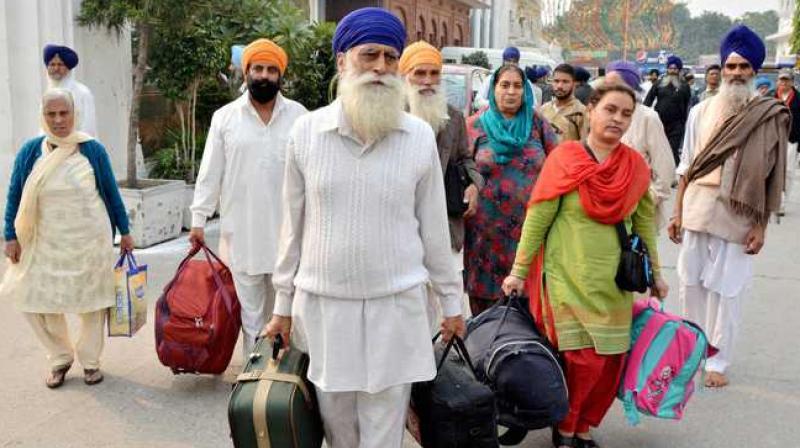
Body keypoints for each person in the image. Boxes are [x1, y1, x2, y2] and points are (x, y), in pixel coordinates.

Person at [264, 8, 466, 447]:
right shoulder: (306, 133)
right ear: (342, 61)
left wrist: (452, 302)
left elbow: (434, 229)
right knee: (338, 426)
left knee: (385, 426)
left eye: (390, 57)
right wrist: (281, 305)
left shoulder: (416, 139)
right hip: (325, 308)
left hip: (396, 308)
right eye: (368, 54)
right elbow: (291, 229)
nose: (380, 67)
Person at [502, 82, 668, 448]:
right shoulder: (565, 159)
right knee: (582, 361)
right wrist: (518, 270)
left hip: (614, 284)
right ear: (591, 110)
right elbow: (537, 218)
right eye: (611, 110)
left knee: (609, 364)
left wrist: (656, 273)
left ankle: (584, 426)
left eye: (626, 114)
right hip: (567, 279)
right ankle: (564, 428)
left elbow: (643, 226)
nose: (618, 119)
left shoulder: (634, 166)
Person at [669, 25, 789, 388]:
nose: (736, 73)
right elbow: (686, 165)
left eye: (744, 67)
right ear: (721, 70)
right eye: (730, 67)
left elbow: (775, 177)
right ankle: (693, 352)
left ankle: (718, 360)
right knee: (690, 286)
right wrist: (676, 212)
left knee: (729, 290)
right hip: (697, 207)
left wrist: (761, 226)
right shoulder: (700, 111)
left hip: (740, 214)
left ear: (755, 71)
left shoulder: (770, 115)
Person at [0, 89, 134, 388]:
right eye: (52, 114)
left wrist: (124, 232)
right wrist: (9, 235)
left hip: (89, 243)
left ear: (75, 114)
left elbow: (110, 193)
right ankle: (59, 357)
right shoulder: (31, 151)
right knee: (34, 300)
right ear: (42, 116)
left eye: (64, 113)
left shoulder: (91, 149)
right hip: (44, 243)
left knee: (92, 303)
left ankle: (90, 362)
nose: (59, 120)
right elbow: (14, 194)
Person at [189, 38, 308, 356]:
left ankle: (286, 386)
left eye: (272, 69)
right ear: (247, 72)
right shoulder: (225, 118)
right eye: (258, 68)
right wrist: (199, 219)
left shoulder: (300, 117)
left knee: (289, 314)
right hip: (244, 235)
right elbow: (210, 172)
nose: (264, 75)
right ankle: (253, 381)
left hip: (290, 236)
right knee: (252, 317)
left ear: (280, 75)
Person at [399, 40, 482, 323]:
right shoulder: (389, 116)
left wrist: (473, 184)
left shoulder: (454, 117)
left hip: (445, 222)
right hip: (400, 225)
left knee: (446, 305)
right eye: (419, 74)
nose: (427, 82)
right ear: (404, 76)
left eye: (434, 74)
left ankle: (441, 363)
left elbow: (465, 159)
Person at [464, 64, 557, 315]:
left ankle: (526, 351)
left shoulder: (537, 124)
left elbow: (560, 166)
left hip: (530, 229)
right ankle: (485, 349)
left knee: (529, 299)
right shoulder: (474, 126)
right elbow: (461, 169)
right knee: (485, 305)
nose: (511, 92)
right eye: (504, 85)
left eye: (517, 86)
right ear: (493, 89)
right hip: (485, 232)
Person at [606, 60, 676, 230]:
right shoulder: (600, 116)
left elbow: (665, 168)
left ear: (629, 87)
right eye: (605, 85)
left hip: (638, 211)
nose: (606, 90)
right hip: (605, 208)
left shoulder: (647, 118)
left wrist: (646, 200)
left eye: (613, 85)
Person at [644, 55, 692, 165]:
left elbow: (687, 106)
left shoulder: (684, 86)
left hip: (677, 126)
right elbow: (648, 102)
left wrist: (685, 123)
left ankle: (675, 176)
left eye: (675, 69)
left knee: (672, 150)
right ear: (667, 69)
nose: (672, 71)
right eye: (670, 68)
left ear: (679, 70)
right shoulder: (658, 84)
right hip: (659, 123)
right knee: (658, 151)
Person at [43, 44, 96, 136]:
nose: (56, 68)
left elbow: (88, 128)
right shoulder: (47, 94)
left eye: (60, 64)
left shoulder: (82, 93)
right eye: (52, 64)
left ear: (68, 68)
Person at [540, 63, 587, 143]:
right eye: (556, 81)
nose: (559, 86)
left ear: (574, 84)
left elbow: (586, 146)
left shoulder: (581, 112)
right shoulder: (543, 109)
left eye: (565, 82)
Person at [776, 68, 800, 215]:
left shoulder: (798, 99)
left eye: (786, 80)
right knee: (773, 170)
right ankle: (774, 200)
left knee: (788, 172)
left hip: (791, 139)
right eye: (781, 80)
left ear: (791, 82)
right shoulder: (771, 97)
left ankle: (782, 203)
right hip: (773, 139)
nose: (784, 83)